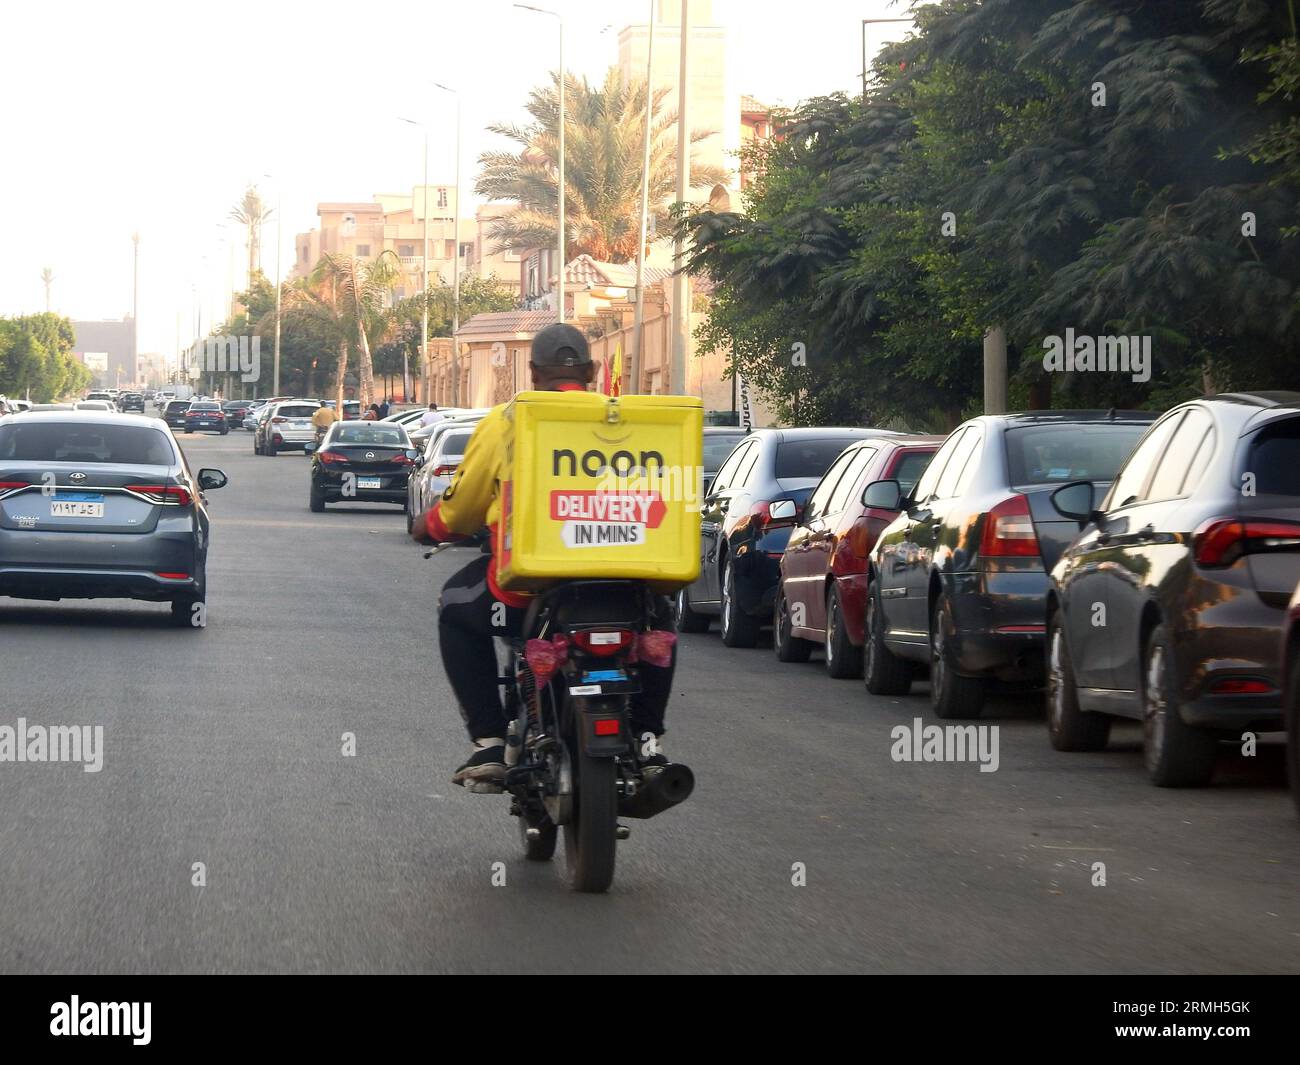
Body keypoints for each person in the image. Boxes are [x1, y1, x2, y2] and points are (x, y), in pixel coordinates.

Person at [411, 323, 677, 789]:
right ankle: (649, 736)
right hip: (626, 588)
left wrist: (428, 525)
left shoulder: (507, 421)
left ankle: (490, 741)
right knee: (661, 625)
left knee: (454, 607)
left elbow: (461, 509)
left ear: (532, 373)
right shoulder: (633, 420)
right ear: (593, 372)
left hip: (527, 593)